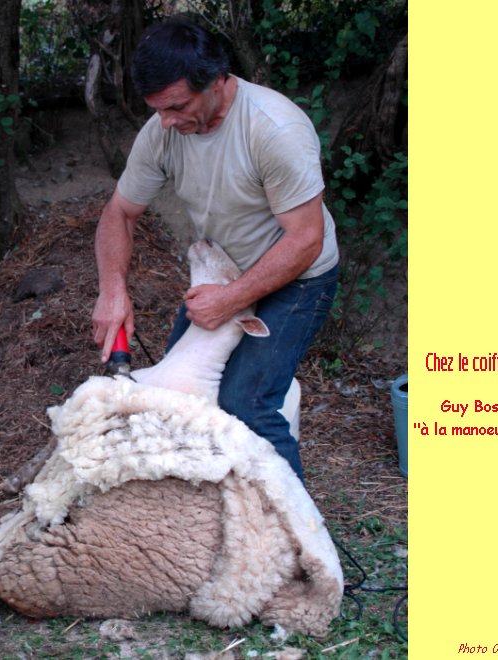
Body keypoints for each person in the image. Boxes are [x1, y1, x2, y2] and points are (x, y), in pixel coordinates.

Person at [91, 16, 339, 482]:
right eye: (157, 110)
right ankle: (210, 511)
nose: (166, 121)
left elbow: (306, 239)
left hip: (299, 275)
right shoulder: (163, 131)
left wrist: (229, 300)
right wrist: (112, 290)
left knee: (247, 401)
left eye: (177, 106)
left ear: (216, 80)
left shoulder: (273, 129)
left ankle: (294, 522)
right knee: (180, 401)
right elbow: (118, 213)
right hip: (224, 272)